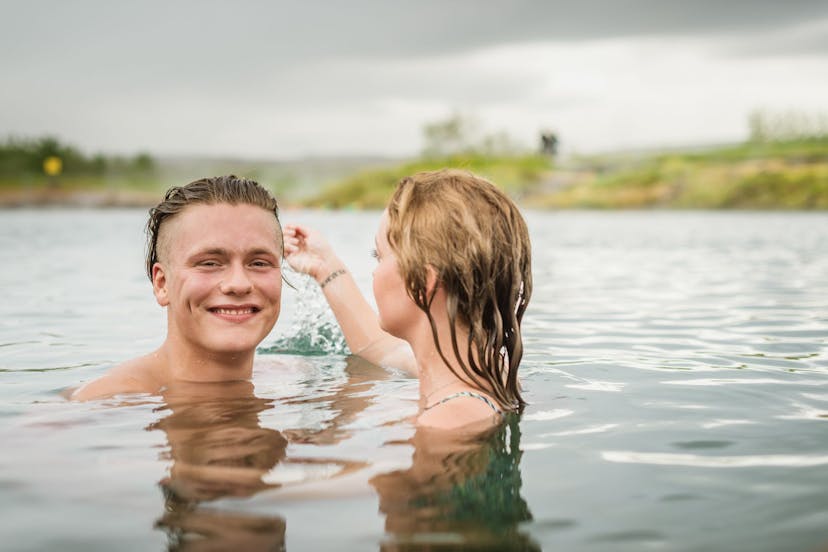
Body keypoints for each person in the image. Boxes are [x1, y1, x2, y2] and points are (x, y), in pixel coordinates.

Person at [284, 169, 532, 431]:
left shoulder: (447, 422)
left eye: (379, 256)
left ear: (421, 282)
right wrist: (325, 266)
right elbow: (380, 347)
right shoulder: (489, 372)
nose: (374, 271)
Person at [71, 175, 284, 401]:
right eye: (209, 263)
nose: (239, 284)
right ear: (162, 284)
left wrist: (315, 272)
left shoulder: (282, 373)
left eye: (259, 263)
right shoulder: (111, 401)